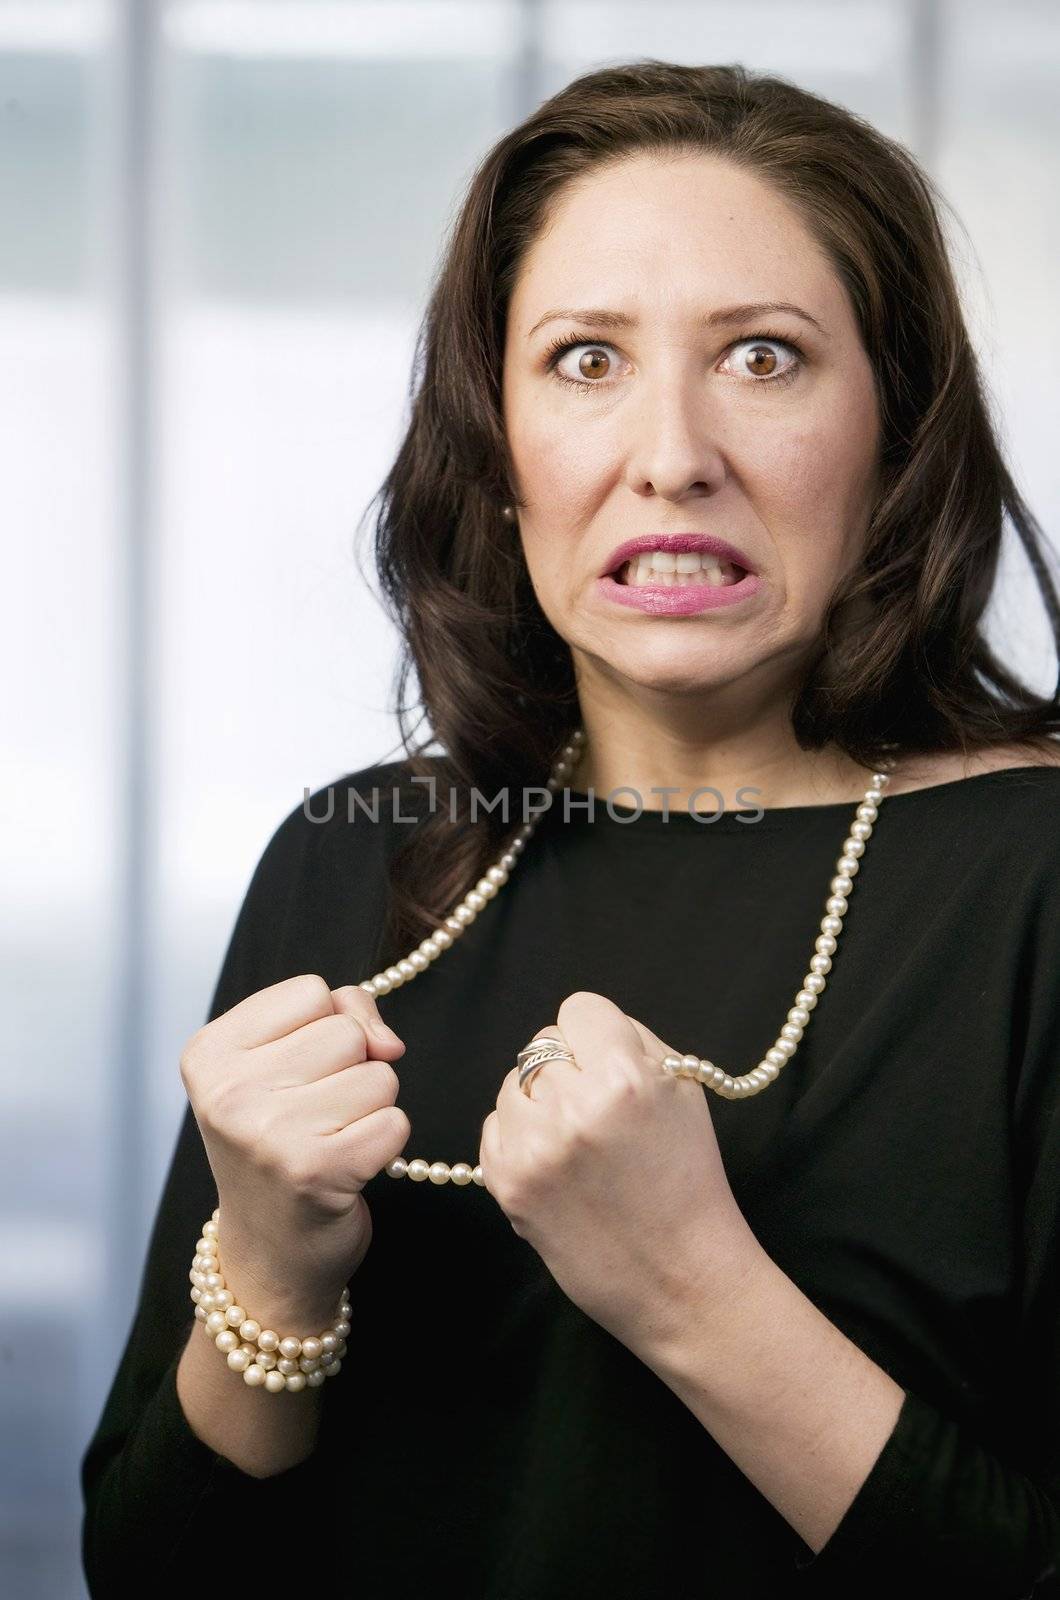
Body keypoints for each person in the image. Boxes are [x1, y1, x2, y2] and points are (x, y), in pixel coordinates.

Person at [80, 60, 1060, 1598]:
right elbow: (152, 1573)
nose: (670, 454)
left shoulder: (1037, 880)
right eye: (586, 360)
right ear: (497, 436)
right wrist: (270, 1270)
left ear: (898, 422)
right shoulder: (352, 861)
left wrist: (691, 1289)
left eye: (762, 355)